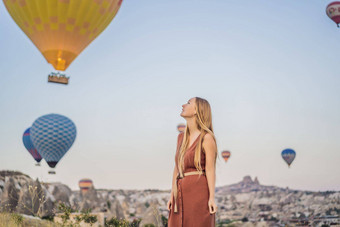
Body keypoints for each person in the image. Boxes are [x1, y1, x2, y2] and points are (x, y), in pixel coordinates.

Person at [167, 97, 217, 227]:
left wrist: (211, 198)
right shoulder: (180, 138)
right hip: (179, 193)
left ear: (196, 110)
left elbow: (210, 169)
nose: (183, 105)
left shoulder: (207, 138)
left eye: (188, 103)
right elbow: (177, 168)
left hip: (198, 193)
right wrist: (172, 194)